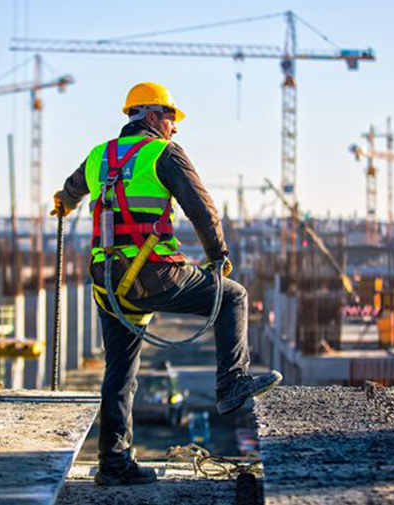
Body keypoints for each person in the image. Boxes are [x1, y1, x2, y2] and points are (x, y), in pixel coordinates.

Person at [51, 82, 282, 486]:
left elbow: (69, 192)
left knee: (120, 372)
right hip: (156, 274)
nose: (175, 127)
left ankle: (114, 464)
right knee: (233, 297)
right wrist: (218, 257)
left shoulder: (98, 156)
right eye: (172, 117)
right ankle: (231, 383)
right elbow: (203, 210)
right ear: (153, 115)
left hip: (109, 283)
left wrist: (63, 204)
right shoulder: (163, 152)